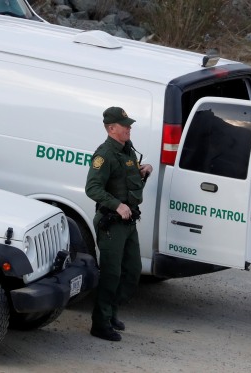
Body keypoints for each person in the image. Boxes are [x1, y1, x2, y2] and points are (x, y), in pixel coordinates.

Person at [85, 106, 153, 342]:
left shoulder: (127, 151)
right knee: (111, 274)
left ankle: (111, 312)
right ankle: (100, 323)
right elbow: (92, 188)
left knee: (132, 271)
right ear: (112, 128)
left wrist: (144, 171)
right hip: (112, 223)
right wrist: (116, 205)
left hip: (129, 221)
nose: (129, 128)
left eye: (129, 124)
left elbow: (129, 181)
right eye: (125, 125)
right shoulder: (104, 155)